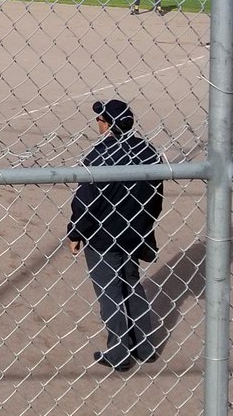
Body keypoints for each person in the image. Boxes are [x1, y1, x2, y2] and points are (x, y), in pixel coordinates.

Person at [67, 100, 163, 372]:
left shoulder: (100, 155)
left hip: (103, 238)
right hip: (134, 233)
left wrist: (75, 232)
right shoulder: (148, 151)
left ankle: (120, 352)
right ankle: (145, 346)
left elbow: (86, 201)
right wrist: (145, 229)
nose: (97, 122)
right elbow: (156, 199)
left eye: (100, 119)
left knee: (110, 291)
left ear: (108, 124)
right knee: (132, 284)